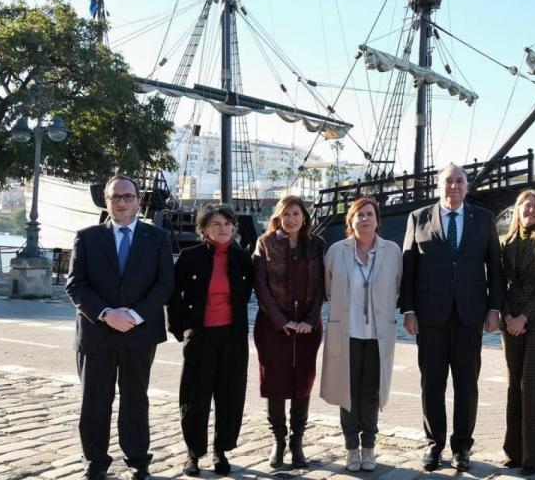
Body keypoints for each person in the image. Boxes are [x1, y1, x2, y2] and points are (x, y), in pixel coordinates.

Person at [65, 175, 174, 480]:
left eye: (128, 197)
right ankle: (95, 462)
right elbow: (75, 285)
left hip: (139, 333)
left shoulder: (158, 238)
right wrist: (105, 314)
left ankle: (138, 460)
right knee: (94, 401)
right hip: (96, 332)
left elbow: (165, 284)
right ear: (106, 201)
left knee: (135, 399)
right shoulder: (87, 237)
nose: (122, 202)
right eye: (116, 197)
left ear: (139, 201)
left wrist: (135, 315)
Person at [400, 163, 504, 472]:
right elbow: (408, 267)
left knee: (466, 383)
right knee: (432, 382)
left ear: (467, 186)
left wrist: (494, 308)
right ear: (439, 185)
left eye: (459, 181)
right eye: (448, 181)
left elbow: (495, 267)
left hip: (469, 314)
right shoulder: (418, 218)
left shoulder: (483, 219)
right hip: (430, 315)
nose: (454, 186)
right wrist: (408, 310)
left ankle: (462, 446)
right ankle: (434, 444)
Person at [168, 204, 254, 477]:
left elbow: (248, 293)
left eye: (227, 224)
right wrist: (180, 328)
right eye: (216, 224)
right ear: (204, 229)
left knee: (230, 395)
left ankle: (221, 449)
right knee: (195, 396)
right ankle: (193, 452)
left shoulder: (243, 259)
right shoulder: (190, 257)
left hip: (233, 337)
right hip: (200, 335)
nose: (223, 228)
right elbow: (173, 294)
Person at [320, 197, 403, 472]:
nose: (365, 219)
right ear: (351, 221)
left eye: (369, 214)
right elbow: (328, 288)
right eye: (359, 215)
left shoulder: (392, 251)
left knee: (371, 393)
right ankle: (351, 448)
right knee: (347, 393)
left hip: (378, 335)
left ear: (377, 220)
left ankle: (369, 446)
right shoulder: (336, 251)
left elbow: (398, 286)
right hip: (347, 333)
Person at [253, 195, 327, 469]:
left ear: (304, 217)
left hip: (307, 329)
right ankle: (278, 439)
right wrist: (280, 320)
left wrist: (311, 319)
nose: (291, 219)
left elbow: (322, 287)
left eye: (296, 213)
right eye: (286, 214)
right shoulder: (265, 243)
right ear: (278, 217)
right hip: (274, 328)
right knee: (274, 382)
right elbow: (261, 286)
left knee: (302, 382)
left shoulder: (317, 245)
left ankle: (297, 441)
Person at [499, 190, 535, 475]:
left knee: (533, 388)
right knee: (514, 387)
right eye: (527, 205)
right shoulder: (505, 242)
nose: (532, 210)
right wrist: (508, 316)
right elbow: (499, 283)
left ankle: (534, 456)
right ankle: (513, 451)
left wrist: (523, 317)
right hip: (510, 322)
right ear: (518, 208)